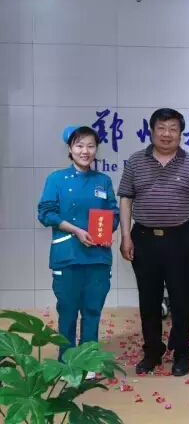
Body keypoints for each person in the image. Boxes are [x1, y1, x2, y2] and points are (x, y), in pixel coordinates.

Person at [117, 108, 189, 377]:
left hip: (180, 239)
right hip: (144, 239)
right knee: (149, 299)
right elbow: (126, 199)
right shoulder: (136, 161)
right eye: (161, 128)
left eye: (173, 129)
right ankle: (152, 351)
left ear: (181, 133)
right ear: (151, 131)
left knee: (181, 300)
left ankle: (181, 351)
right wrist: (125, 236)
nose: (166, 134)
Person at [38, 125, 120, 377]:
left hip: (97, 257)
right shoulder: (56, 179)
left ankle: (88, 361)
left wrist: (106, 232)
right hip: (68, 256)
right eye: (79, 145)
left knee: (93, 310)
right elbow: (46, 213)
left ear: (96, 149)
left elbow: (113, 213)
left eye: (90, 146)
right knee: (68, 311)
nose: (85, 151)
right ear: (70, 149)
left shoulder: (103, 181)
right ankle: (67, 362)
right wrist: (75, 230)